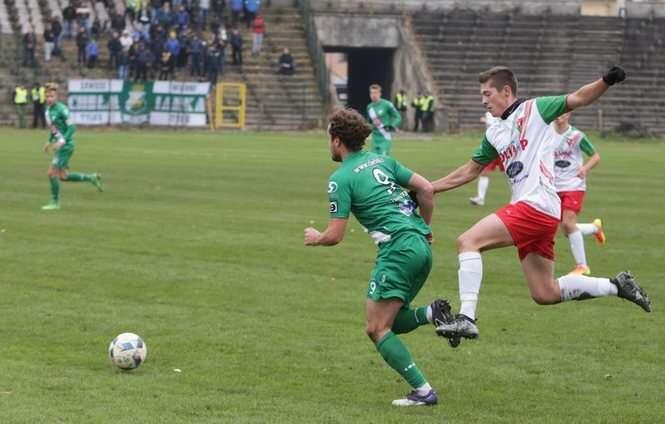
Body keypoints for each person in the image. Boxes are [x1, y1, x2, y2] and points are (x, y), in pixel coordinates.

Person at [431, 66, 651, 347]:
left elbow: (578, 98)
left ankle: (466, 317)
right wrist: (430, 187)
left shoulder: (536, 109)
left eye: (487, 94)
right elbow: (470, 170)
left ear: (506, 91)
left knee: (468, 242)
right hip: (539, 211)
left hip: (536, 204)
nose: (483, 100)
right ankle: (617, 285)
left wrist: (606, 80)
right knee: (545, 292)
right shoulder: (494, 131)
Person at [304, 108, 454, 407]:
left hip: (397, 250)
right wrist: (425, 228)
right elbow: (426, 189)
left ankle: (424, 392)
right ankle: (431, 313)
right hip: (420, 247)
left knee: (376, 328)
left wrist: (316, 237)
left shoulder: (340, 179)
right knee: (391, 320)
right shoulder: (383, 160)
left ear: (337, 141)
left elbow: (335, 235)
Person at [552, 112, 606, 275]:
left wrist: (585, 169)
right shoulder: (547, 134)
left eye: (562, 113)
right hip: (554, 186)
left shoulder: (576, 135)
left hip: (574, 185)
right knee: (567, 229)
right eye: (557, 113)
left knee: (568, 224)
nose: (558, 116)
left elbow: (595, 156)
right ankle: (594, 228)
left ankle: (582, 266)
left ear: (568, 115)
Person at [41, 83, 103, 211]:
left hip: (66, 146)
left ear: (57, 96)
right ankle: (91, 177)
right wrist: (49, 141)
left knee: (51, 173)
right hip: (60, 145)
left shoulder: (62, 109)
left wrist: (62, 141)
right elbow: (54, 128)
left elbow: (72, 127)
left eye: (52, 96)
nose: (49, 99)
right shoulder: (48, 111)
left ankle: (55, 202)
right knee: (63, 176)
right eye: (47, 96)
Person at [469, 111, 503, 206]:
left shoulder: (502, 112)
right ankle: (480, 198)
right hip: (491, 148)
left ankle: (519, 198)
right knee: (484, 172)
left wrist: (486, 120)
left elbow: (498, 125)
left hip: (503, 148)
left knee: (512, 174)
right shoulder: (488, 113)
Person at [366, 84, 401, 156]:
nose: (373, 95)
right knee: (374, 159)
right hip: (375, 138)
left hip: (385, 136)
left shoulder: (387, 104)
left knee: (383, 158)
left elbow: (397, 117)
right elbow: (369, 121)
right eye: (371, 93)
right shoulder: (369, 107)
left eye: (375, 93)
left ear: (380, 93)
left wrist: (392, 125)